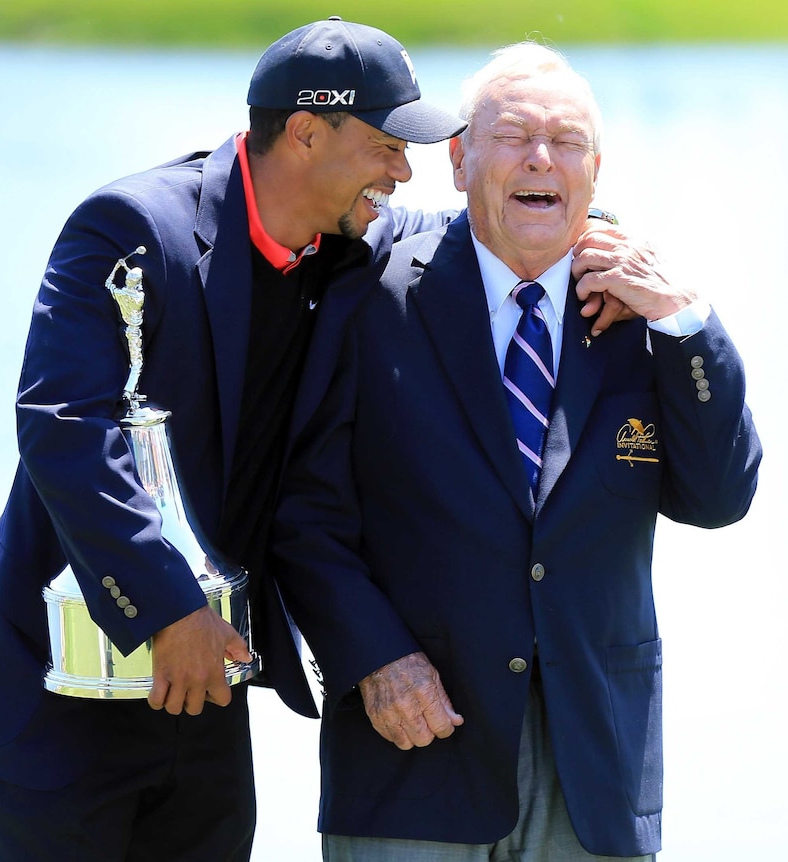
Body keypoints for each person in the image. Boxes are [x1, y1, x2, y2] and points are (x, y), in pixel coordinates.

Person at [0, 17, 469, 862]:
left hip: (202, 697)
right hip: (55, 695)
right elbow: (63, 422)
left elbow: (438, 232)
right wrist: (169, 606)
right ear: (305, 133)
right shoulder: (129, 227)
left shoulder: (341, 239)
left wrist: (586, 223)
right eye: (385, 144)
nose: (402, 172)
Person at [272, 42, 762, 861]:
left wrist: (687, 318)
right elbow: (305, 515)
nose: (542, 157)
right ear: (460, 160)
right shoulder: (369, 289)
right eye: (514, 137)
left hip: (595, 771)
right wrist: (375, 659)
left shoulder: (645, 315)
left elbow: (718, 498)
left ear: (595, 171)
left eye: (566, 141)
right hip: (412, 753)